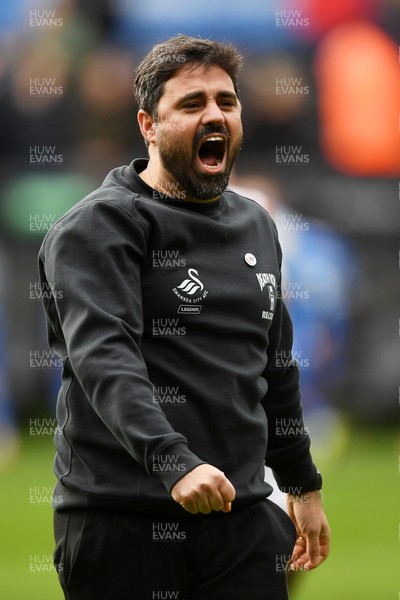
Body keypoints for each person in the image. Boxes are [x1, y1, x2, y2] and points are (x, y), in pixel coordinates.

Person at [38, 34, 330, 600]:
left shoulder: (255, 223)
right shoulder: (99, 227)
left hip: (240, 518)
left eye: (226, 101)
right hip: (123, 522)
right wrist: (174, 463)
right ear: (148, 125)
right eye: (191, 104)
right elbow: (106, 358)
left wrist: (300, 484)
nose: (214, 114)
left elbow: (275, 365)